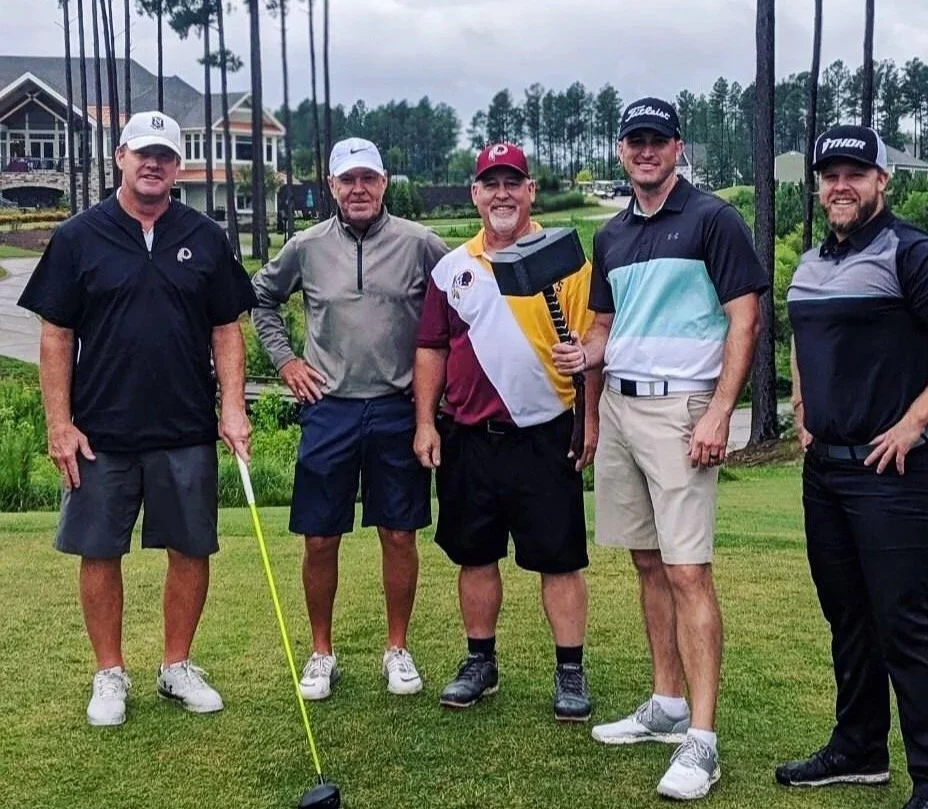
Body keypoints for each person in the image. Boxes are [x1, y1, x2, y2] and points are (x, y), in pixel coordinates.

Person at [778, 125, 928, 809]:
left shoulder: (910, 251)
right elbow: (804, 340)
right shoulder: (811, 262)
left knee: (904, 623)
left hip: (897, 475)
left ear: (881, 180)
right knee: (847, 615)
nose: (839, 184)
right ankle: (858, 748)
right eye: (828, 173)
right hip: (829, 470)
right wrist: (804, 409)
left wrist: (914, 420)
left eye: (854, 171)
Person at [554, 97, 767, 799]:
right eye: (633, 141)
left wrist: (720, 413)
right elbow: (604, 331)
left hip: (683, 410)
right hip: (618, 404)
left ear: (677, 146)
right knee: (646, 561)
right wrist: (578, 360)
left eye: (656, 140)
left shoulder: (712, 219)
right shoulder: (610, 235)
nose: (644, 152)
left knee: (686, 572)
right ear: (621, 150)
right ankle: (666, 704)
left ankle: (701, 739)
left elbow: (745, 321)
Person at [17, 110, 256, 727]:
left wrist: (232, 405)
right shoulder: (79, 236)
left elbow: (227, 328)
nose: (153, 164)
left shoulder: (204, 235)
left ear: (179, 167)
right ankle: (109, 673)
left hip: (186, 427)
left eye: (166, 156)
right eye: (142, 153)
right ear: (120, 156)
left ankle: (176, 665)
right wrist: (58, 423)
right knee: (99, 551)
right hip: (100, 431)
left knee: (190, 547)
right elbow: (55, 333)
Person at [251, 137, 447, 700]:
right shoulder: (306, 247)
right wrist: (286, 360)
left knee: (399, 532)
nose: (358, 189)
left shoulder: (420, 244)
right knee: (319, 537)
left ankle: (397, 648)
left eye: (368, 178)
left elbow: (463, 299)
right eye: (347, 180)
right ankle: (321, 652)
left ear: (384, 183)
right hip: (328, 408)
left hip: (399, 408)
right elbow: (260, 297)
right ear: (332, 187)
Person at [413, 142, 599, 721]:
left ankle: (570, 669)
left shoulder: (567, 263)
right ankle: (480, 661)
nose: (501, 194)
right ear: (475, 194)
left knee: (559, 559)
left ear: (530, 191)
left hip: (544, 434)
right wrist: (425, 422)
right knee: (475, 554)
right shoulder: (453, 269)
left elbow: (594, 350)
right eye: (490, 184)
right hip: (470, 434)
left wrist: (589, 419)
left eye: (512, 183)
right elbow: (431, 348)